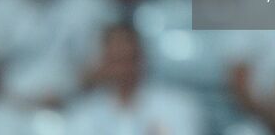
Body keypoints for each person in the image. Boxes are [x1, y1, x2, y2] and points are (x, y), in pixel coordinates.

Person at [64, 23, 204, 135]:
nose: (123, 69)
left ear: (142, 59)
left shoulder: (177, 106)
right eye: (116, 60)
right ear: (104, 62)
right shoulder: (84, 113)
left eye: (129, 59)